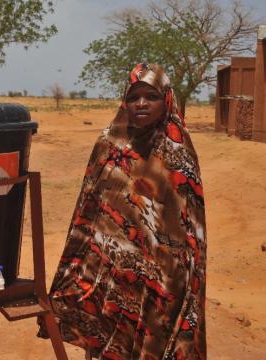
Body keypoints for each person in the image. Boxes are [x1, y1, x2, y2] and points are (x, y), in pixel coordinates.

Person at [38, 63, 207, 359]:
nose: (141, 104)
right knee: (104, 342)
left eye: (150, 96)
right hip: (108, 271)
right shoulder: (109, 143)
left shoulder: (178, 152)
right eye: (134, 97)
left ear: (166, 99)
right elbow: (88, 206)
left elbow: (191, 227)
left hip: (159, 280)